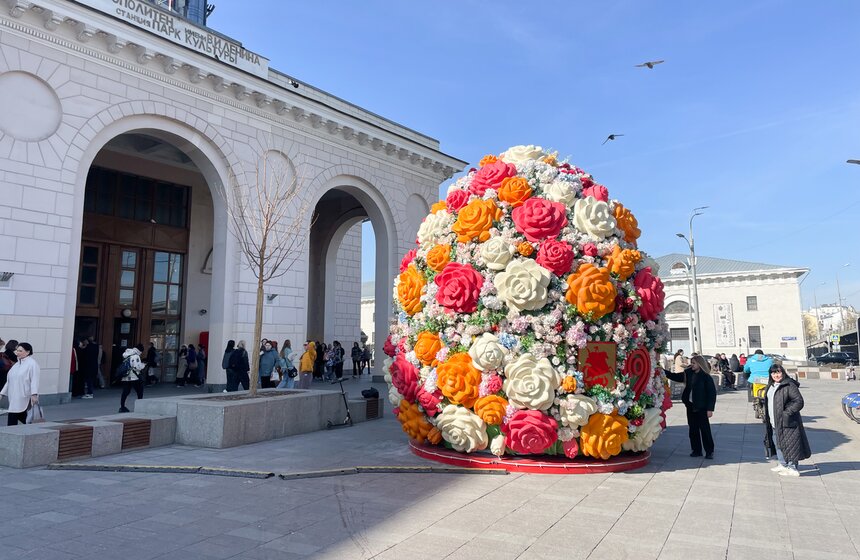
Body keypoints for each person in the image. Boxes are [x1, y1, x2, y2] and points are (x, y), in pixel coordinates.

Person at [664, 354, 717, 459]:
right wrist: (664, 372)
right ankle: (696, 450)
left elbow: (711, 394)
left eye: (693, 363)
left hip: (702, 407)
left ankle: (709, 451)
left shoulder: (706, 377)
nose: (691, 365)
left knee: (704, 429)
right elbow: (677, 377)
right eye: (691, 363)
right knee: (693, 429)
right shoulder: (688, 373)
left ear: (699, 364)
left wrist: (710, 409)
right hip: (690, 405)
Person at [763, 364, 811, 477]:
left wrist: (787, 413)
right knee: (778, 443)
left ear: (783, 372)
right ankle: (783, 464)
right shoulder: (771, 386)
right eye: (774, 373)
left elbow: (798, 401)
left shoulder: (789, 385)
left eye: (778, 372)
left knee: (790, 444)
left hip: (787, 422)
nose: (776, 375)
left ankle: (792, 467)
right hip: (774, 421)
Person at [0, 342, 39, 426]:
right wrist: (1, 393)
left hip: (23, 396)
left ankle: (11, 433)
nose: (17, 352)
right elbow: (9, 381)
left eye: (20, 351)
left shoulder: (32, 364)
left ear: (28, 352)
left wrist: (34, 394)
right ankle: (34, 427)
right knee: (20, 415)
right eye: (17, 350)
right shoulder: (17, 365)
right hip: (14, 396)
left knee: (13, 414)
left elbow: (34, 380)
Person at [118, 344, 145, 413]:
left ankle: (122, 406)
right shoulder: (136, 356)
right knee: (139, 391)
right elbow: (137, 367)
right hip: (134, 377)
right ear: (140, 350)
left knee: (125, 392)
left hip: (126, 376)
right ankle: (140, 407)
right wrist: (143, 365)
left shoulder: (127, 354)